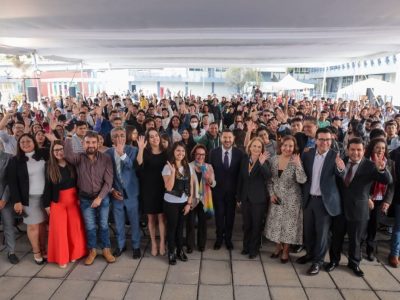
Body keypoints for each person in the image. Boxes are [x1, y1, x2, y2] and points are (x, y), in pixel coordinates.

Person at [328, 137, 392, 277]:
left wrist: (382, 170)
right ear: (347, 150)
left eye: (359, 150)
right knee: (336, 238)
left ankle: (354, 263)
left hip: (359, 210)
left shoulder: (370, 165)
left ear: (363, 151)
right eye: (352, 149)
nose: (355, 153)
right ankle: (334, 261)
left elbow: (387, 180)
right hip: (339, 209)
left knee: (356, 239)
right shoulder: (341, 161)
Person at [64, 130, 115, 265]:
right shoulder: (79, 158)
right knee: (90, 226)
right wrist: (68, 137)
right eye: (87, 142)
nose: (91, 145)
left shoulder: (106, 159)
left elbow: (109, 182)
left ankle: (106, 249)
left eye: (93, 142)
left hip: (102, 198)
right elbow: (68, 155)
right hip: (85, 199)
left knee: (104, 224)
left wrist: (99, 198)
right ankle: (92, 251)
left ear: (98, 143)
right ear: (83, 144)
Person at [298, 128, 344, 275]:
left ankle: (317, 262)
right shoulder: (308, 154)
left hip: (325, 203)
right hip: (309, 200)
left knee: (322, 234)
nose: (325, 142)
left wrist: (341, 168)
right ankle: (310, 254)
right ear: (316, 140)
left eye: (328, 140)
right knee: (308, 231)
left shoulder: (335, 156)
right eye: (322, 139)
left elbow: (341, 173)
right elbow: (302, 174)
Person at [44, 140, 87, 268]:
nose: (58, 152)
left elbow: (79, 182)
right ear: (52, 152)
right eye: (55, 150)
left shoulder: (71, 164)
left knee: (74, 229)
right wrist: (46, 205)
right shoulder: (49, 166)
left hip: (73, 200)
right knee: (60, 231)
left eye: (61, 149)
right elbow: (47, 187)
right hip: (57, 202)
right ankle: (62, 257)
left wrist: (80, 198)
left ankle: (75, 253)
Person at [8, 133, 49, 264]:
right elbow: (12, 183)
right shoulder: (15, 160)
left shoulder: (43, 154)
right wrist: (17, 201)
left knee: (43, 225)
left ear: (34, 142)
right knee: (33, 226)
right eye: (22, 142)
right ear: (19, 145)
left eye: (28, 141)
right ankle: (36, 251)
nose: (25, 144)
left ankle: (44, 248)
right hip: (29, 199)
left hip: (45, 197)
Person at [265, 135, 306, 263]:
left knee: (289, 226)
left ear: (294, 148)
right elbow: (269, 180)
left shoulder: (296, 160)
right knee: (277, 224)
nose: (287, 148)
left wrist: (299, 165)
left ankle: (286, 251)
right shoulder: (273, 160)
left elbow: (302, 179)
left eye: (290, 146)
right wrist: (271, 194)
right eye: (285, 145)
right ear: (280, 146)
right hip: (276, 197)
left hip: (292, 199)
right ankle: (278, 247)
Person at [105, 127, 141, 259]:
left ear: (126, 137)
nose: (119, 138)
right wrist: (112, 190)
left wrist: (122, 154)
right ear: (112, 138)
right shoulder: (107, 153)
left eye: (122, 135)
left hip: (131, 193)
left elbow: (130, 166)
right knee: (118, 222)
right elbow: (106, 175)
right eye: (116, 136)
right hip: (116, 194)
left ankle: (136, 246)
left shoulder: (133, 150)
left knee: (134, 221)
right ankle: (120, 245)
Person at [237, 137, 271, 258]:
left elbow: (268, 176)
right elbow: (241, 179)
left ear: (262, 149)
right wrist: (239, 198)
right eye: (254, 146)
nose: (256, 148)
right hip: (245, 198)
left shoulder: (264, 161)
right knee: (247, 225)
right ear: (250, 147)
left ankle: (254, 249)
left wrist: (261, 164)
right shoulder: (244, 160)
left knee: (256, 225)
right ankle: (246, 247)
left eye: (259, 147)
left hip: (258, 199)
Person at [209, 129, 243, 250]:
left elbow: (241, 175)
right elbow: (210, 171)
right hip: (217, 192)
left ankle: (228, 239)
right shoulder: (213, 152)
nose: (227, 140)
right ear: (220, 138)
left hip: (232, 193)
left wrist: (239, 194)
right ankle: (218, 238)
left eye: (229, 138)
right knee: (219, 216)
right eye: (225, 137)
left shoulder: (240, 153)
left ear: (233, 138)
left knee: (230, 217)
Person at [136, 129, 167, 256]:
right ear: (148, 140)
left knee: (161, 217)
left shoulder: (165, 152)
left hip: (162, 187)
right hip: (148, 188)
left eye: (156, 136)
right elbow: (139, 164)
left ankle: (162, 242)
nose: (155, 138)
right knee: (151, 217)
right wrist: (141, 148)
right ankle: (153, 243)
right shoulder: (146, 152)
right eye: (152, 137)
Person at [162, 142, 194, 265]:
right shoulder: (167, 167)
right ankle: (171, 252)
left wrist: (189, 203)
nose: (180, 153)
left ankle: (180, 250)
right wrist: (173, 173)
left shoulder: (188, 166)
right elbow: (169, 188)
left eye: (182, 151)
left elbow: (191, 185)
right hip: (171, 203)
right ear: (173, 152)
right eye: (178, 151)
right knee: (172, 228)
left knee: (181, 228)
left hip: (183, 202)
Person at [363, 138, 394, 262]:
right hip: (365, 198)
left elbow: (392, 184)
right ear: (372, 148)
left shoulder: (390, 163)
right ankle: (357, 247)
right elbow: (362, 182)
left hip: (380, 199)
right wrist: (367, 197)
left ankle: (370, 250)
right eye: (377, 147)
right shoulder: (365, 162)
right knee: (363, 225)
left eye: (383, 148)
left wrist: (388, 201)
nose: (380, 150)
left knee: (373, 226)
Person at [187, 144, 216, 252]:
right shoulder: (188, 166)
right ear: (194, 154)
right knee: (190, 223)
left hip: (204, 200)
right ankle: (190, 245)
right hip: (192, 199)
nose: (200, 156)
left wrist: (209, 179)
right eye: (198, 154)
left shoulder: (208, 167)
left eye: (203, 154)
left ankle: (201, 244)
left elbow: (213, 184)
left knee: (202, 223)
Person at [0, 141, 19, 264]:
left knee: (8, 225)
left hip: (4, 199)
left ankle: (11, 252)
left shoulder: (9, 158)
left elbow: (10, 181)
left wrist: (3, 199)